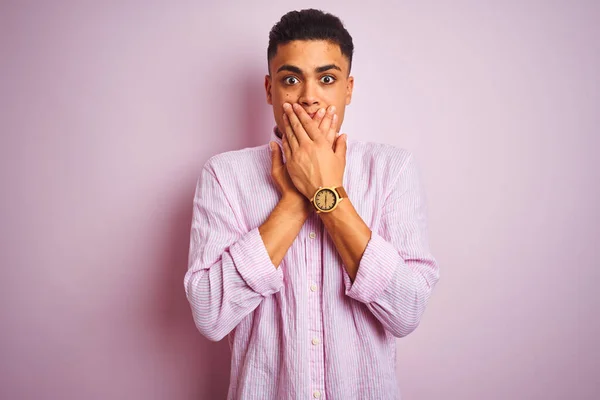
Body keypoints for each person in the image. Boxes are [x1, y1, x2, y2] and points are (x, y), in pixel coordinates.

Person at [184, 8, 440, 400]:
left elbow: (406, 311)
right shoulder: (225, 175)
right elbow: (209, 313)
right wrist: (295, 201)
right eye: (291, 79)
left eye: (326, 78)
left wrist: (326, 192)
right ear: (270, 89)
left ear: (348, 88)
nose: (309, 97)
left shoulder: (391, 170)